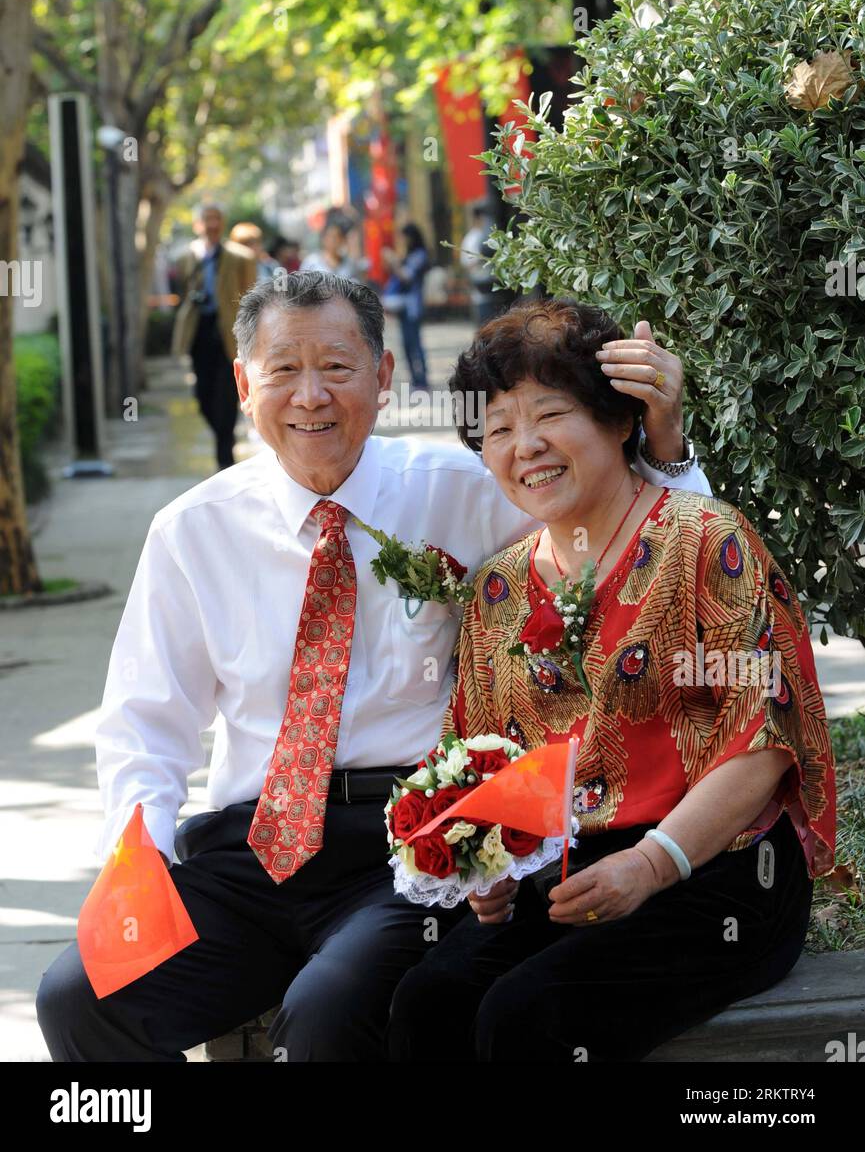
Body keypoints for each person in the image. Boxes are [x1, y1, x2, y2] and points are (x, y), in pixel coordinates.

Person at [34, 274, 707, 1063]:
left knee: (328, 1014)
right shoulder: (192, 530)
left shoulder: (467, 490)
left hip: (407, 848)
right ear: (245, 381)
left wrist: (665, 446)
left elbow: (642, 548)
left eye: (338, 368)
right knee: (81, 996)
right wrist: (136, 864)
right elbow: (146, 723)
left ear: (383, 379)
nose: (310, 396)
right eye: (283, 369)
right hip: (247, 852)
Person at [387, 297, 837, 1064]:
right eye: (497, 429)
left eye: (550, 415)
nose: (523, 446)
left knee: (528, 1018)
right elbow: (483, 755)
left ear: (622, 421)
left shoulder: (703, 539)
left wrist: (654, 861)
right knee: (426, 1004)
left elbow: (761, 744)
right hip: (570, 873)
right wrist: (482, 864)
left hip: (716, 871)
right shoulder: (497, 586)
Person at [171, 203, 257, 470]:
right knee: (202, 395)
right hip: (199, 330)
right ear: (198, 224)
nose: (211, 224)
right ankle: (224, 435)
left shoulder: (240, 257)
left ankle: (225, 455)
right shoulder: (186, 257)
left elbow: (251, 297)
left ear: (223, 223)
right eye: (206, 219)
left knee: (226, 393)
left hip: (229, 334)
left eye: (216, 218)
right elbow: (181, 294)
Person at [382, 223, 430, 390]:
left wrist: (394, 261)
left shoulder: (420, 255)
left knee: (415, 344)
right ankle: (415, 379)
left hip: (412, 307)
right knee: (406, 345)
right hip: (403, 307)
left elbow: (406, 276)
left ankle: (422, 379)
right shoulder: (408, 255)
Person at [300, 220, 364, 280]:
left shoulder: (349, 264)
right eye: (330, 236)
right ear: (323, 238)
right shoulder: (311, 261)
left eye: (337, 237)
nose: (333, 241)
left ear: (342, 240)